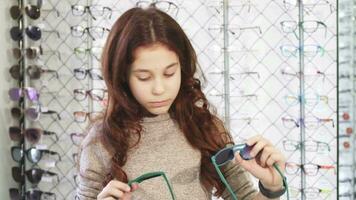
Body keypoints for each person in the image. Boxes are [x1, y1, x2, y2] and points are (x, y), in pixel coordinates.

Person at [76, 5, 286, 200]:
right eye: (144, 77)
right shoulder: (101, 141)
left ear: (183, 68)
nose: (159, 89)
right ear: (122, 76)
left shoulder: (204, 127)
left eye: (169, 73)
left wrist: (272, 187)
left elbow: (243, 195)